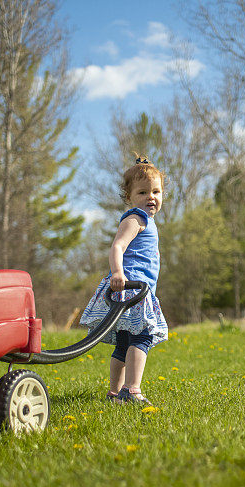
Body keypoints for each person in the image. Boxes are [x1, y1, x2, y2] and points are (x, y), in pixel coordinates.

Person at [80, 154, 168, 405]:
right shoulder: (136, 219)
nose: (151, 197)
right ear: (129, 198)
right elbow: (117, 246)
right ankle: (132, 390)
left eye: (156, 191)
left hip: (133, 289)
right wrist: (118, 273)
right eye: (142, 192)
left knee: (124, 342)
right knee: (142, 337)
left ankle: (115, 393)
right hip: (131, 287)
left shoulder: (146, 221)